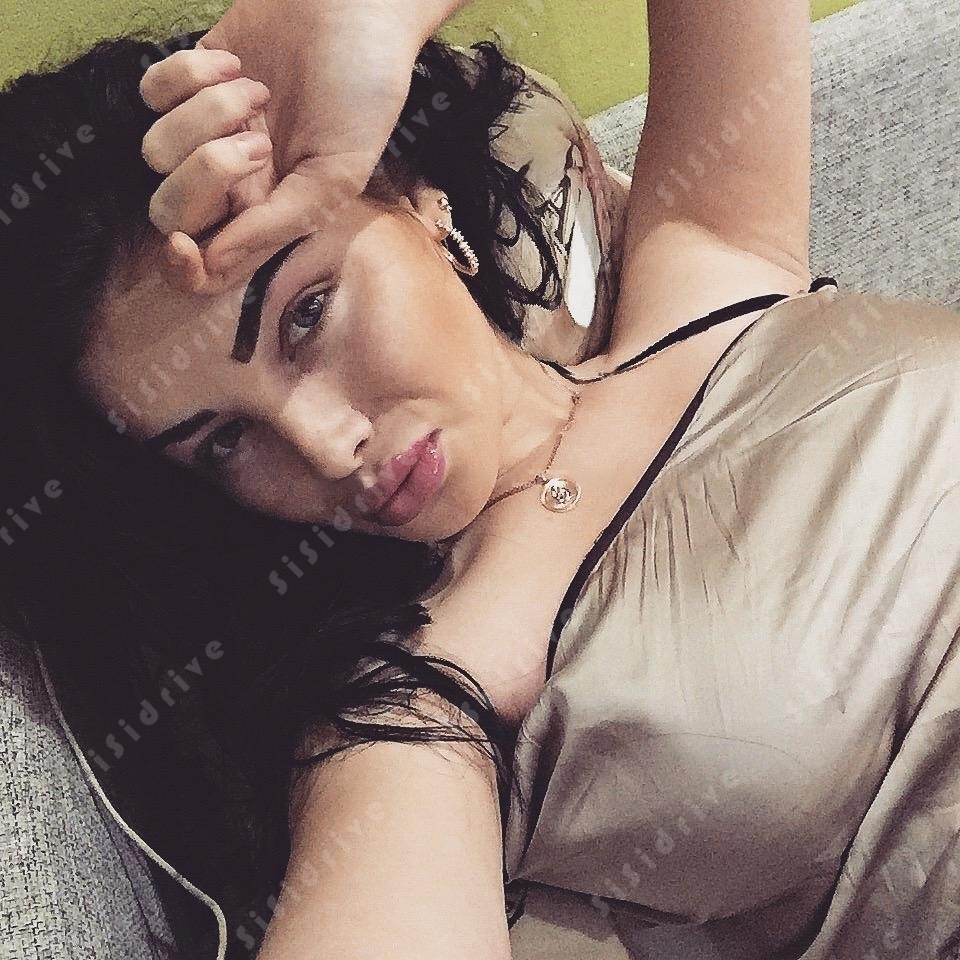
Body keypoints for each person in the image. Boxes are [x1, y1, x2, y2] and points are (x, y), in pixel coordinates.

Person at [2, 3, 958, 960]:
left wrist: (372, 14)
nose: (327, 448)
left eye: (307, 314)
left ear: (412, 194)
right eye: (223, 441)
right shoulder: (412, 696)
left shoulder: (714, 267)